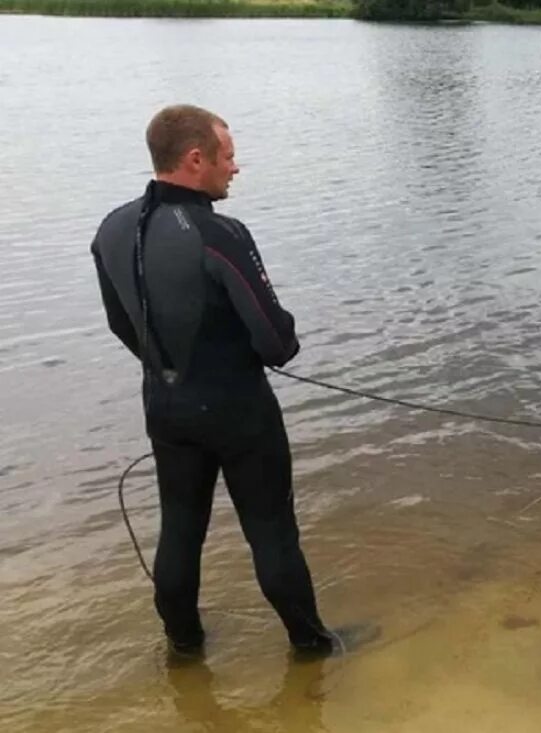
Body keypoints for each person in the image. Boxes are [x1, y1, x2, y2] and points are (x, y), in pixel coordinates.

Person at [90, 104, 338, 657]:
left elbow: (119, 323)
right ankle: (312, 648)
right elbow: (277, 342)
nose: (236, 167)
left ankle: (183, 649)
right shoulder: (218, 232)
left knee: (179, 529)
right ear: (195, 159)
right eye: (228, 156)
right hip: (238, 411)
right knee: (271, 531)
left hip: (166, 406)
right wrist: (257, 352)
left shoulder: (111, 227)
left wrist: (171, 370)